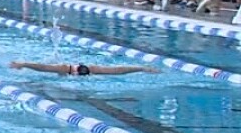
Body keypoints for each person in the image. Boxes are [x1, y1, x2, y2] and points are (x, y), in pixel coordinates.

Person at [10, 61, 158, 76]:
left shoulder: (93, 69)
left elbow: (118, 70)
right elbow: (43, 67)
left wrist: (141, 68)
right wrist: (24, 64)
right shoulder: (63, 69)